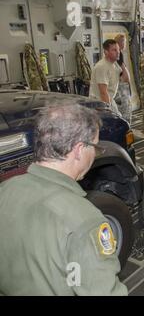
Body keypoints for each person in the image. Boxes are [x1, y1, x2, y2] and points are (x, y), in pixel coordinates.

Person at [0, 104, 127, 296]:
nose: (95, 154)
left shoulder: (7, 188)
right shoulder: (85, 220)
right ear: (79, 150)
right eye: (95, 146)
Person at [89, 39, 130, 116]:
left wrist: (122, 64)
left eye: (118, 49)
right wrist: (109, 112)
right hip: (99, 104)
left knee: (120, 123)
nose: (118, 52)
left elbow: (126, 79)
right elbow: (103, 92)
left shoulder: (115, 65)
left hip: (110, 100)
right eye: (114, 50)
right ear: (106, 52)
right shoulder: (102, 66)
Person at [114, 34, 132, 124]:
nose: (124, 43)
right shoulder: (117, 55)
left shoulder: (120, 54)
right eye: (123, 41)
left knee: (127, 111)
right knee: (124, 113)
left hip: (124, 87)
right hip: (121, 89)